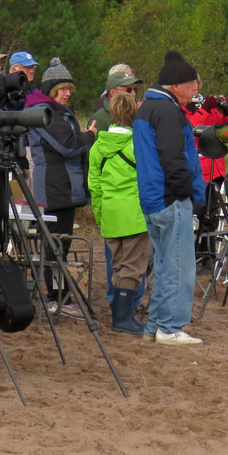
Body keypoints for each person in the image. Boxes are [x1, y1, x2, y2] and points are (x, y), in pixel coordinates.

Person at [134, 50, 206, 345]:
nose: (196, 90)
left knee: (165, 265)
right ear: (175, 86)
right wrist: (185, 193)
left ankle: (155, 326)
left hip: (152, 199)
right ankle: (170, 326)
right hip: (169, 199)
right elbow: (173, 157)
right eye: (191, 85)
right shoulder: (168, 112)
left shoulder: (147, 109)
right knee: (179, 267)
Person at [25, 57, 97, 318]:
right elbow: (68, 145)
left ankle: (60, 297)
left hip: (63, 188)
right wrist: (89, 136)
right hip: (54, 188)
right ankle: (55, 299)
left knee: (60, 246)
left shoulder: (55, 112)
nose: (67, 93)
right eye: (62, 89)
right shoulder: (46, 113)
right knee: (54, 246)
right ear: (51, 89)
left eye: (69, 89)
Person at [87, 92, 150, 335]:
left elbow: (95, 185)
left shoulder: (97, 147)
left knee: (117, 265)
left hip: (111, 213)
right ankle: (123, 320)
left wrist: (101, 215)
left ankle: (121, 317)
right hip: (134, 214)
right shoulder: (138, 144)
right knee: (133, 268)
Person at [185, 92, 228, 183]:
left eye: (196, 83)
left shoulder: (212, 110)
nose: (194, 88)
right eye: (190, 84)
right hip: (198, 170)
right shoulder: (180, 108)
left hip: (217, 168)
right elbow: (192, 129)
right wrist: (205, 109)